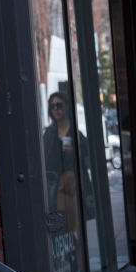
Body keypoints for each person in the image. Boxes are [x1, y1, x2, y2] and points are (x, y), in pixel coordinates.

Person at [42, 91, 93, 233]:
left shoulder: (75, 132)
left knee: (78, 226)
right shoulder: (49, 133)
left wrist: (75, 150)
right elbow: (46, 161)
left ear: (66, 107)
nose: (56, 109)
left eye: (59, 105)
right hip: (58, 187)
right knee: (63, 227)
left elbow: (89, 157)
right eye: (52, 106)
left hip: (75, 185)